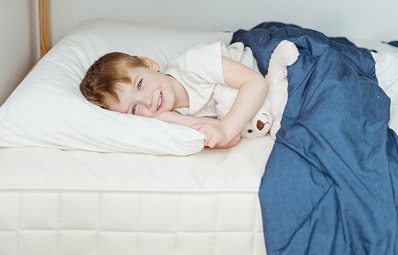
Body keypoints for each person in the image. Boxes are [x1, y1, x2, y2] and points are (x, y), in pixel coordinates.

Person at [80, 42, 269, 148]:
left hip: (267, 68)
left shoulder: (193, 64)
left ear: (149, 64)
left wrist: (226, 131)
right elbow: (228, 138)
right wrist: (170, 118)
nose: (147, 101)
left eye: (140, 84)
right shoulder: (171, 119)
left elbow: (256, 84)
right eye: (134, 108)